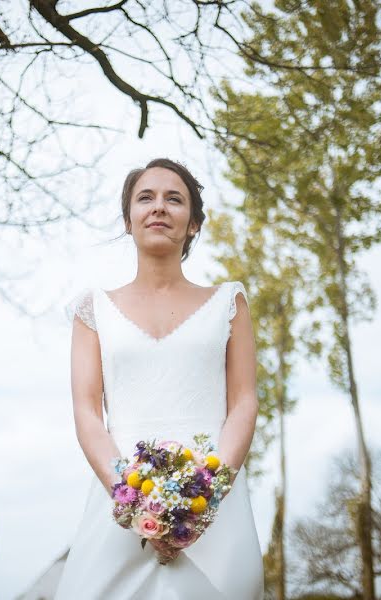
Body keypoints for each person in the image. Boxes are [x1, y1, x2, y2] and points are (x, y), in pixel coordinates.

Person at [56, 158, 265, 599]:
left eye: (175, 199)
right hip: (120, 501)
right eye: (145, 198)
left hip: (216, 509)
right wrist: (133, 504)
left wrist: (204, 500)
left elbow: (244, 403)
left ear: (193, 224)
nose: (159, 207)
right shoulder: (93, 310)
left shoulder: (229, 302)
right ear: (128, 219)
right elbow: (87, 413)